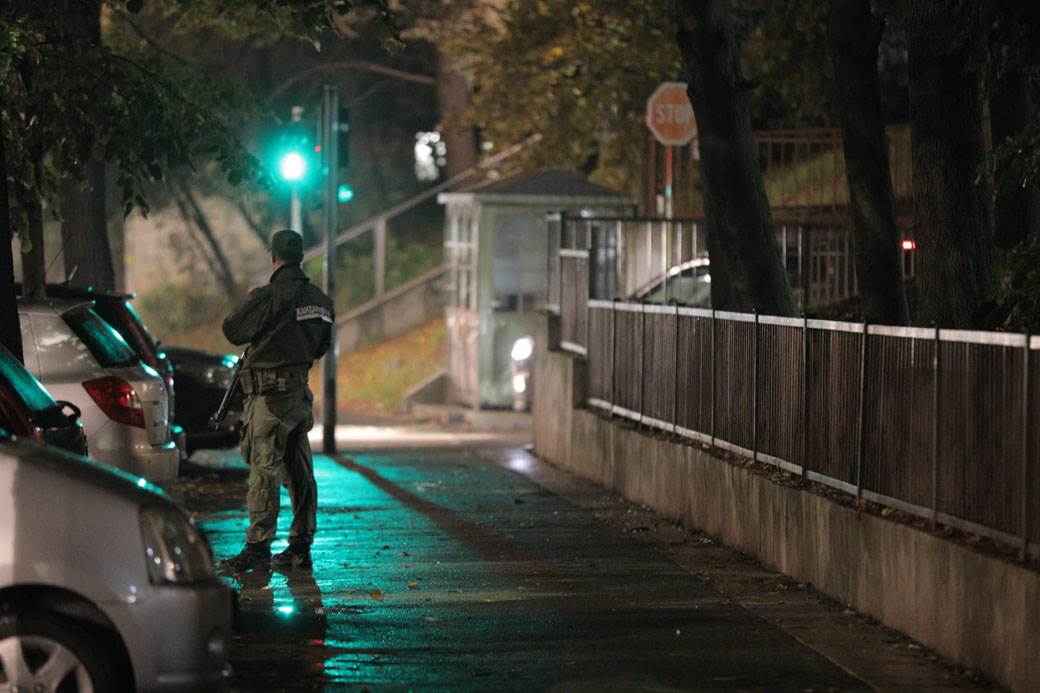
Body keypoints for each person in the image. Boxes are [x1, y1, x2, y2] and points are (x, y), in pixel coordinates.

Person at [220, 229, 334, 571]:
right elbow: (320, 347)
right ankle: (300, 546)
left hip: (268, 399)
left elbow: (233, 330)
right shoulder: (320, 301)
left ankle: (257, 547)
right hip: (299, 396)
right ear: (300, 257)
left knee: (265, 472)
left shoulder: (268, 296)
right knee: (300, 471)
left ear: (274, 258)